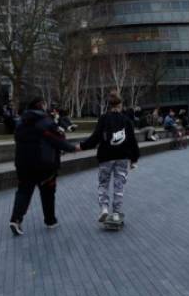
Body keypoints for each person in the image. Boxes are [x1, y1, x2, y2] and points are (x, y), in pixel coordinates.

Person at [9, 97, 80, 236]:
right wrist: (73, 148)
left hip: (23, 163)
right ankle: (50, 220)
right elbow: (56, 140)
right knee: (48, 193)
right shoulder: (46, 122)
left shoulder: (20, 123)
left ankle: (15, 220)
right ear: (41, 106)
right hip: (44, 165)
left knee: (23, 191)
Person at [80, 92, 140, 224]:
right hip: (122, 157)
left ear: (109, 104)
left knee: (103, 184)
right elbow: (132, 141)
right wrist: (134, 159)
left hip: (106, 157)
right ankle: (117, 213)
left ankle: (104, 209)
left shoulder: (103, 118)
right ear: (120, 105)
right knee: (119, 185)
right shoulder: (127, 120)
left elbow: (95, 137)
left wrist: (82, 146)